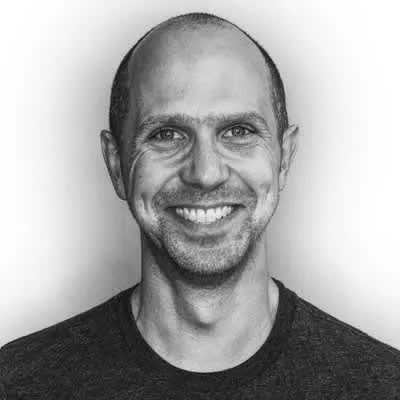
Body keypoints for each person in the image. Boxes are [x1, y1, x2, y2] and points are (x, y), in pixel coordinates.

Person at [1, 12, 399, 399]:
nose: (206, 173)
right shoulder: (17, 384)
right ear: (116, 164)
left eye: (238, 131)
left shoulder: (384, 385)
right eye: (167, 134)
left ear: (284, 158)